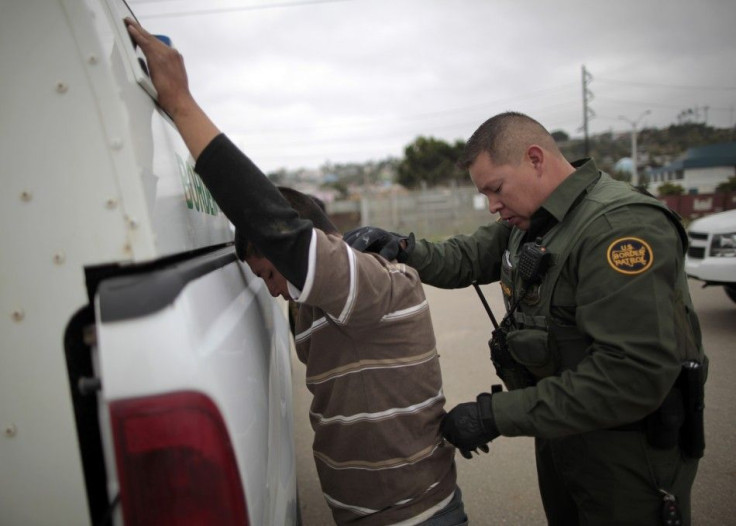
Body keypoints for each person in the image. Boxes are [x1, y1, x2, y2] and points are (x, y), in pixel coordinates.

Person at [124, 18, 467, 526]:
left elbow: (276, 227)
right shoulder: (308, 307)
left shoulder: (380, 286)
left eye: (272, 273)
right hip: (358, 514)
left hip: (416, 516)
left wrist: (181, 104)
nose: (275, 290)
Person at [345, 112, 707, 525]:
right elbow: (466, 256)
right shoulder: (534, 221)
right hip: (563, 430)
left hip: (625, 455)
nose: (492, 205)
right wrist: (402, 247)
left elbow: (630, 377)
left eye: (495, 189)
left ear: (535, 159)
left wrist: (493, 415)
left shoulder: (619, 227)